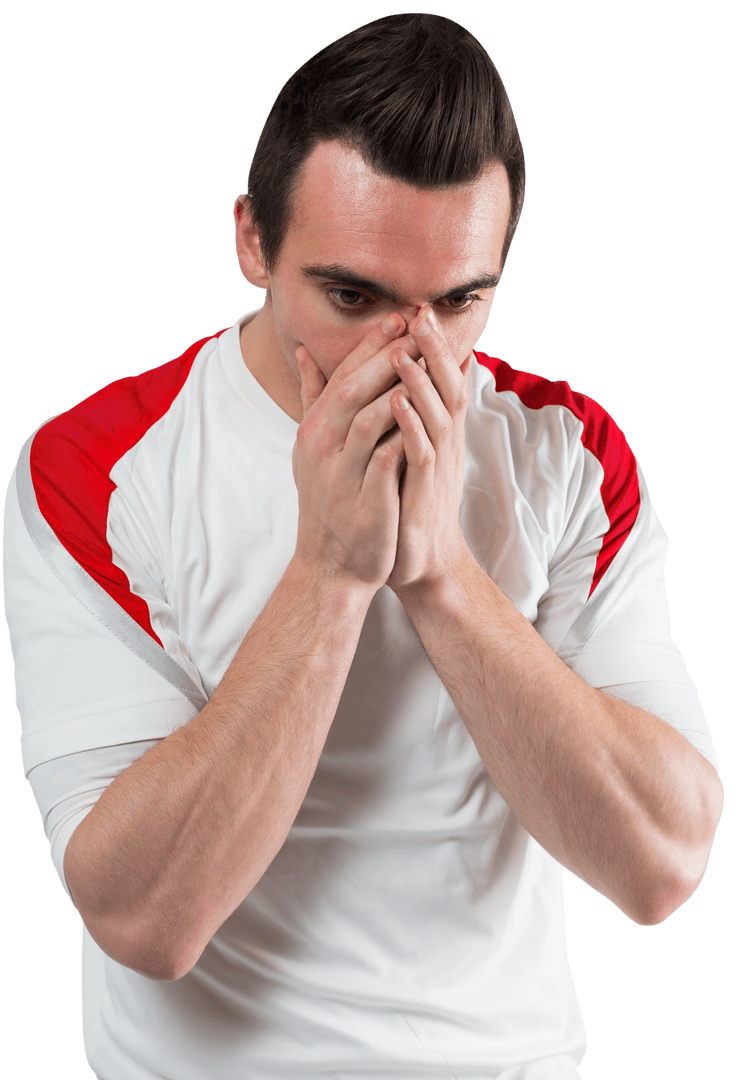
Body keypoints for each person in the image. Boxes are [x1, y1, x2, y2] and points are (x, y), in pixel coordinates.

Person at [4, 12, 723, 1079]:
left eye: (459, 300)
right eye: (352, 296)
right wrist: (331, 573)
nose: (410, 351)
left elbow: (659, 865)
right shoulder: (94, 466)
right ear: (252, 239)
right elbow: (143, 918)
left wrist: (439, 574)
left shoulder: (568, 454)